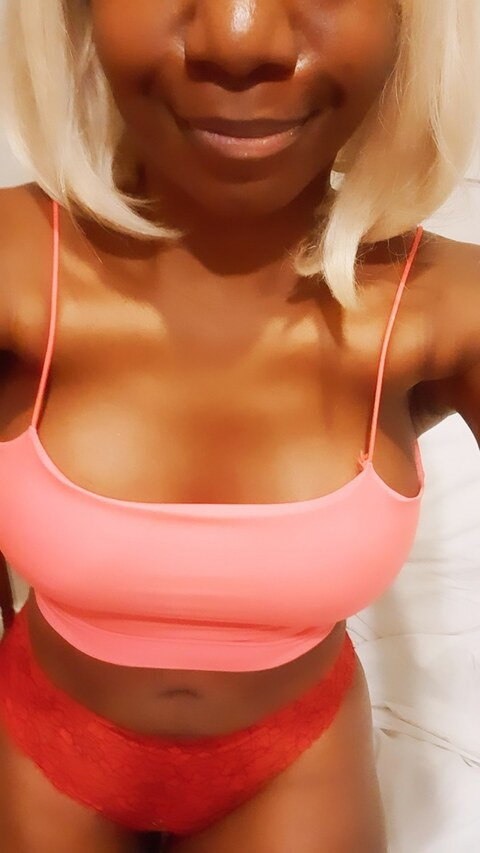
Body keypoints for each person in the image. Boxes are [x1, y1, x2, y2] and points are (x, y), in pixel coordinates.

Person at [0, 2, 479, 851]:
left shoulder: (442, 305)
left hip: (292, 763)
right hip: (43, 741)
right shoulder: (15, 268)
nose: (240, 36)